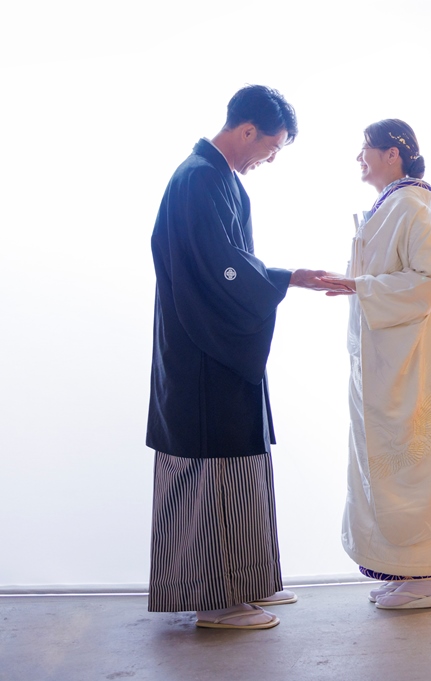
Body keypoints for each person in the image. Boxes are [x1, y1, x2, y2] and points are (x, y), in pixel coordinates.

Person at [146, 85, 347, 629]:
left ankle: (245, 583)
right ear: (247, 131)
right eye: (271, 148)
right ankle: (214, 598)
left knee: (240, 467)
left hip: (218, 342)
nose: (269, 159)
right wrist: (286, 278)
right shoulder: (198, 178)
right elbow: (221, 269)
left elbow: (230, 265)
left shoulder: (218, 178)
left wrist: (282, 279)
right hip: (202, 349)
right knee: (209, 468)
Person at [323, 119, 431, 609]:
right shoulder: (396, 205)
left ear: (393, 154)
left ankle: (426, 578)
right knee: (387, 459)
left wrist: (358, 286)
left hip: (404, 360)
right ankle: (403, 571)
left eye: (365, 149)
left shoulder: (409, 206)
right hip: (385, 356)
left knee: (411, 460)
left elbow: (430, 280)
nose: (359, 158)